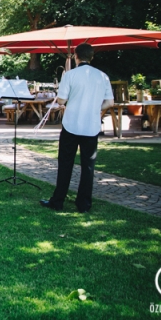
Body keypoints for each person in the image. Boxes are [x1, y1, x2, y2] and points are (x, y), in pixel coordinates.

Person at [40, 44, 114, 213]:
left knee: (65, 164)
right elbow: (110, 102)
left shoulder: (70, 75)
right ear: (92, 57)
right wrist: (95, 109)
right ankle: (84, 204)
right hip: (91, 126)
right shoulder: (102, 76)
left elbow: (61, 101)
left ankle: (58, 201)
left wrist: (62, 95)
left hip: (71, 124)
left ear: (76, 56)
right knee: (88, 166)